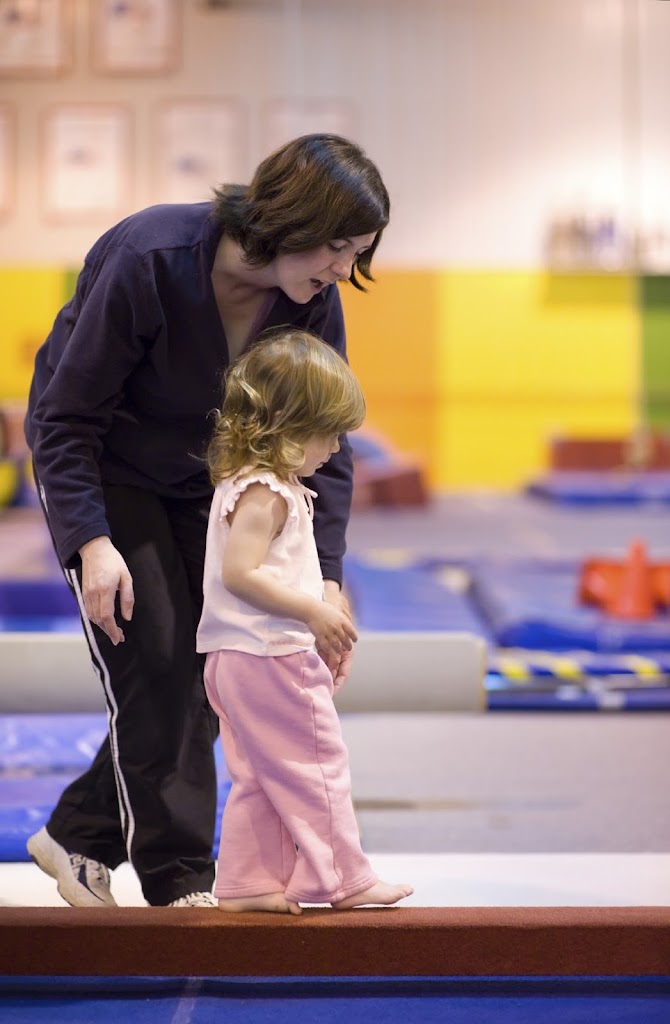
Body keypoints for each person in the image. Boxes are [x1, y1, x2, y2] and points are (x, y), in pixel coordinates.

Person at [24, 133, 390, 908]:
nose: (339, 272)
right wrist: (92, 543)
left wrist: (328, 580)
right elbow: (64, 420)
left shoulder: (312, 302)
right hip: (106, 470)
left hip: (204, 483)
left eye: (356, 256)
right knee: (154, 658)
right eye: (336, 248)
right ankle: (179, 880)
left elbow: (327, 444)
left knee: (222, 663)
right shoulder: (149, 257)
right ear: (288, 217)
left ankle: (78, 833)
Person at [197, 326, 413, 913]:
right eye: (328, 435)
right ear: (285, 428)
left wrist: (320, 596)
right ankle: (342, 879)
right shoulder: (267, 492)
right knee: (318, 767)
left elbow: (267, 569)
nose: (337, 450)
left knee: (261, 776)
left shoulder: (251, 484)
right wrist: (313, 612)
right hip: (270, 657)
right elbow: (240, 574)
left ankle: (245, 884)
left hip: (236, 659)